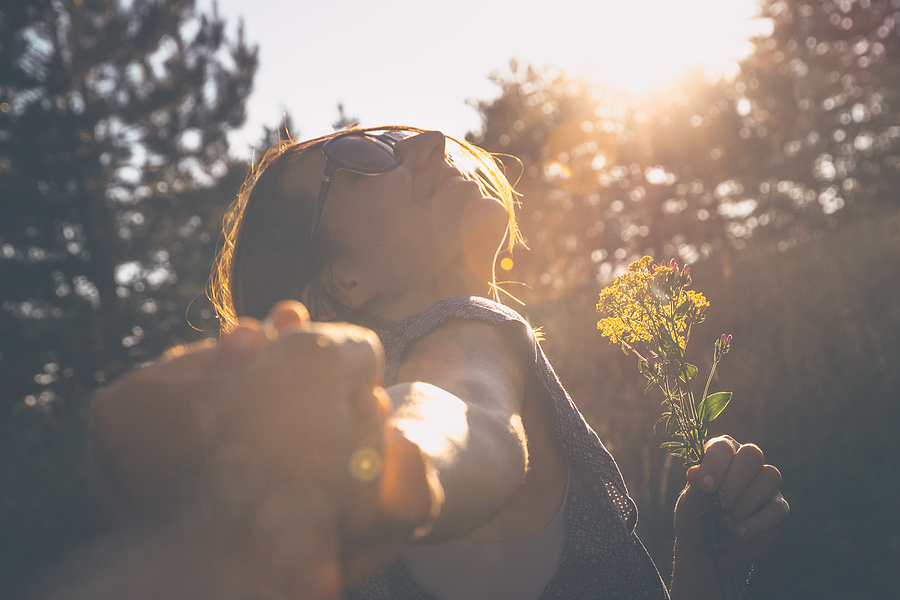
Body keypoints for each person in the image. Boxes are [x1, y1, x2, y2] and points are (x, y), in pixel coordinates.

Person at [83, 127, 788, 600]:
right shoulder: (467, 339)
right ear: (345, 280)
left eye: (393, 135)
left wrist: (701, 570)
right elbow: (459, 417)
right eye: (359, 158)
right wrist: (395, 460)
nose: (422, 139)